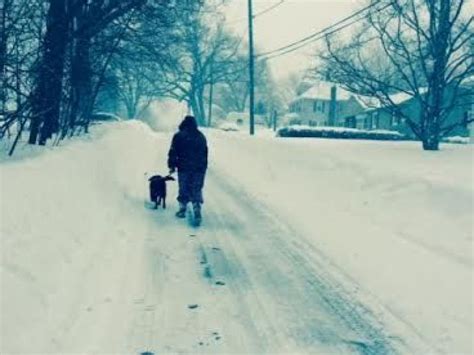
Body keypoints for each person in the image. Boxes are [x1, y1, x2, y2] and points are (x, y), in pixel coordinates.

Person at [168, 115, 208, 224]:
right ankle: (196, 207)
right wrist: (203, 168)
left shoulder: (178, 136)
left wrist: (172, 165)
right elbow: (205, 153)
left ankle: (182, 209)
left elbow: (173, 152)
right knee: (196, 187)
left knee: (184, 187)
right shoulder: (200, 136)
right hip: (198, 168)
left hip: (183, 167)